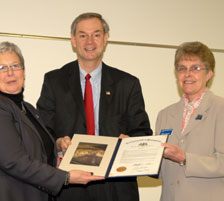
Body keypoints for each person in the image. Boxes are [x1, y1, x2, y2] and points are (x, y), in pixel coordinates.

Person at [37, 12, 152, 201]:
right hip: (69, 187)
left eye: (96, 35)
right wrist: (58, 143)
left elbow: (143, 133)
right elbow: (42, 133)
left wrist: (130, 142)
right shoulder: (54, 81)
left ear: (105, 39)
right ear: (73, 40)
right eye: (83, 35)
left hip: (116, 187)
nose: (90, 41)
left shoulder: (127, 84)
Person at [0, 41, 103, 201]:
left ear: (24, 71)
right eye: (2, 68)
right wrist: (65, 177)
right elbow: (14, 162)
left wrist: (60, 151)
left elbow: (38, 155)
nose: (10, 73)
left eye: (15, 66)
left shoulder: (29, 110)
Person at [155, 41, 224, 201]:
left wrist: (185, 158)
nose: (188, 74)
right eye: (182, 68)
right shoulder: (165, 114)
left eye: (196, 68)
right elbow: (160, 171)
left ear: (209, 74)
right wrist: (134, 151)